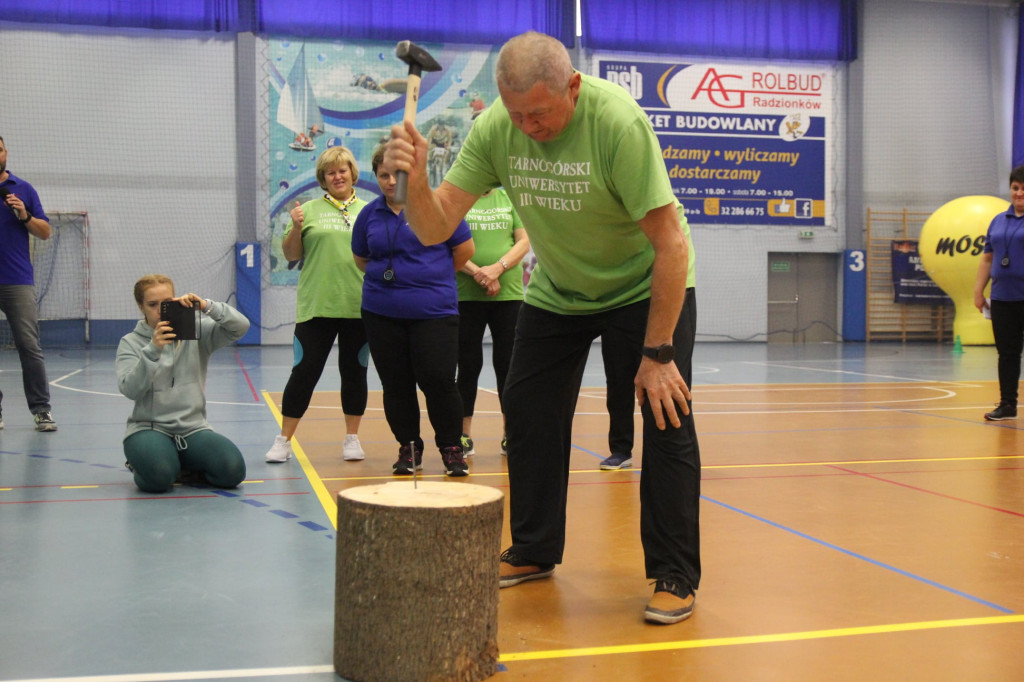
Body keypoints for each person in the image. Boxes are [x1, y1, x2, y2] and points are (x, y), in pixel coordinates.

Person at [386, 31, 700, 625]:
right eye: (516, 114)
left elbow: (671, 244)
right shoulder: (496, 129)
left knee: (665, 414)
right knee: (528, 408)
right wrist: (419, 181)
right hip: (561, 286)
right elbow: (434, 228)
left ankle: (675, 572)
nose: (528, 127)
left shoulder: (617, 124)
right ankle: (533, 547)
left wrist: (659, 353)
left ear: (573, 87)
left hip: (644, 282)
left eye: (539, 114)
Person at [351, 144, 474, 477]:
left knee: (439, 381)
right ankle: (409, 447)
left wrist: (429, 279)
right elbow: (361, 258)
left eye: (398, 174)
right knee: (396, 384)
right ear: (376, 177)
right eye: (384, 175)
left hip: (435, 312)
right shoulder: (369, 215)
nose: (391, 181)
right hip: (381, 314)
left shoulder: (437, 206)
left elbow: (464, 251)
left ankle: (451, 449)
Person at [265, 146, 371, 463]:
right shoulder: (307, 210)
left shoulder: (369, 212)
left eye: (342, 170)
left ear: (352, 173)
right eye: (330, 172)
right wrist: (297, 227)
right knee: (304, 373)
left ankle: (352, 439)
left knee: (355, 373)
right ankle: (284, 440)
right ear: (323, 178)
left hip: (359, 308)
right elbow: (291, 255)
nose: (337, 176)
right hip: (316, 308)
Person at [116, 275, 249, 493]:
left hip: (193, 429)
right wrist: (153, 350)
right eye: (152, 305)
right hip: (148, 428)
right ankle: (146, 463)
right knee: (159, 478)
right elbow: (130, 389)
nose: (160, 310)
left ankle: (179, 463)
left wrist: (206, 306)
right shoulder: (130, 342)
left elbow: (241, 327)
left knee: (232, 470)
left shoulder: (195, 332)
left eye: (167, 303)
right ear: (141, 306)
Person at [599, 203, 696, 470]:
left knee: (668, 380)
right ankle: (621, 448)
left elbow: (673, 245)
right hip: (621, 294)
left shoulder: (659, 202)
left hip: (668, 291)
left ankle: (667, 455)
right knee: (618, 377)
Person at [456, 188, 530, 456]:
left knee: (508, 365)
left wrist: (497, 269)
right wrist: (480, 273)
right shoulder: (459, 199)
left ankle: (510, 433)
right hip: (466, 296)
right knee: (467, 365)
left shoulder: (510, 197)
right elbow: (449, 244)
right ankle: (463, 435)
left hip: (508, 296)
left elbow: (524, 241)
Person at [0, 135, 57, 432]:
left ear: (5, 152)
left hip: (17, 279)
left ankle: (41, 410)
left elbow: (45, 232)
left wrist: (24, 215)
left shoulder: (23, 189)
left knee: (29, 346)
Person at [974, 165, 1024, 421]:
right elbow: (987, 258)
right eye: (1015, 188)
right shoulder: (997, 220)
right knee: (1007, 354)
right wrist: (978, 291)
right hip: (1003, 298)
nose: (1019, 193)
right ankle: (1007, 404)